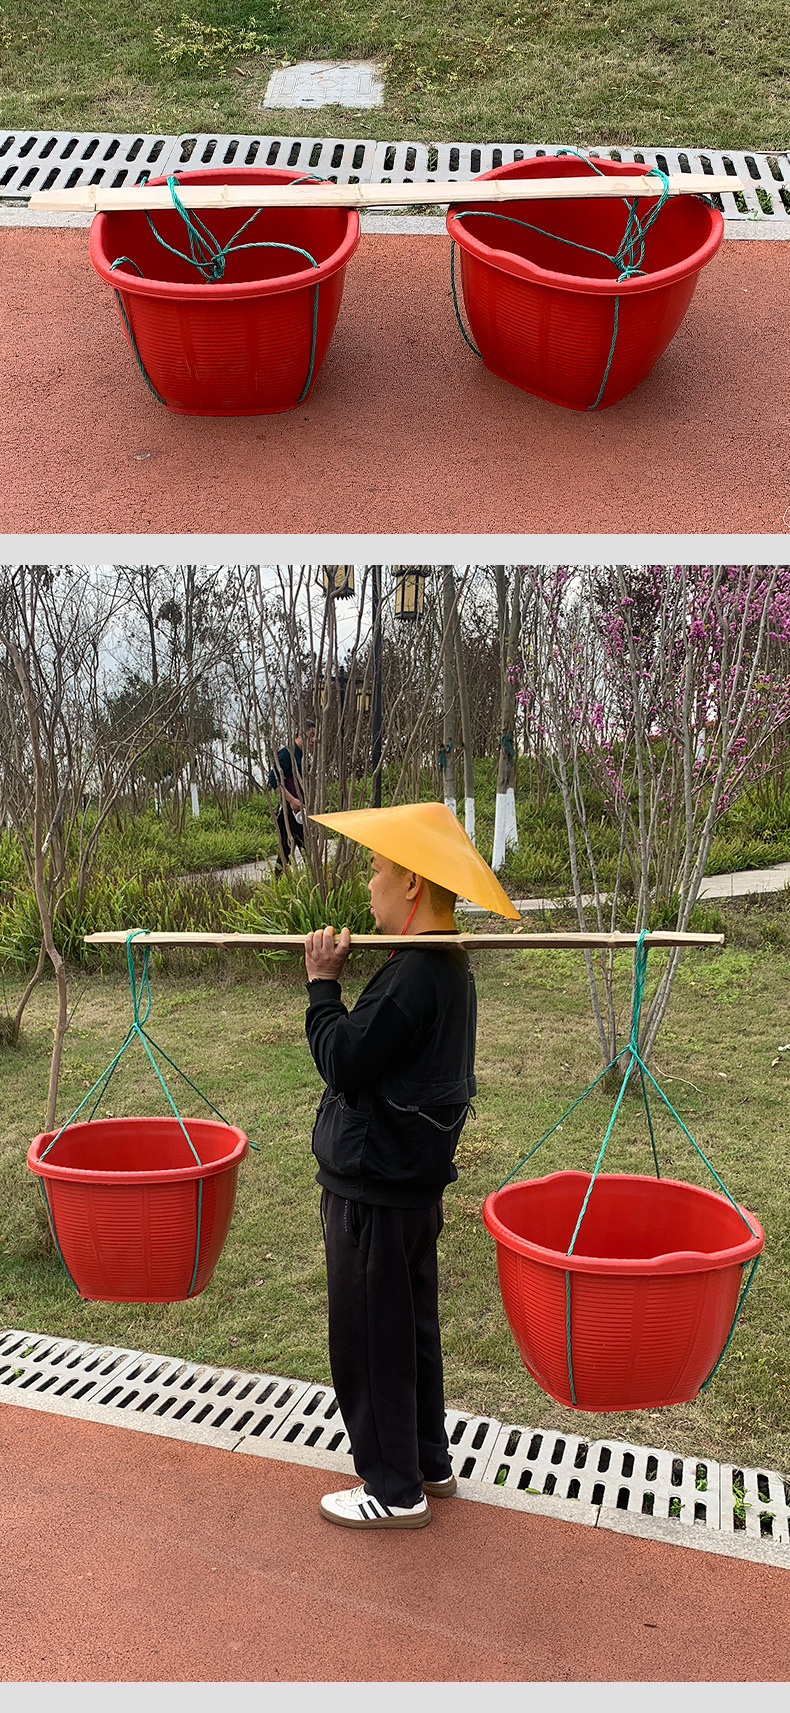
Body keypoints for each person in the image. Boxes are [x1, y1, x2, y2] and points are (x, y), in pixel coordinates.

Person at [301, 801, 520, 1531]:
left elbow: (345, 1059)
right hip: (410, 1186)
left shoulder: (414, 974)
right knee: (410, 1330)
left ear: (412, 886)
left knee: (371, 1338)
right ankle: (427, 1459)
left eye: (376, 870)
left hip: (377, 1187)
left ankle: (394, 1487)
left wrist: (322, 985)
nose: (369, 885)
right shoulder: (446, 965)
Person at [268, 722, 315, 874]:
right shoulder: (287, 753)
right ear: (300, 734)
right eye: (311, 735)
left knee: (300, 850)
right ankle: (281, 882)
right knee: (295, 850)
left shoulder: (303, 756)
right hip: (290, 811)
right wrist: (292, 800)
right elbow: (274, 780)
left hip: (301, 810)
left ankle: (308, 881)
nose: (314, 740)